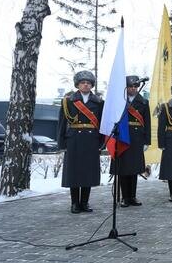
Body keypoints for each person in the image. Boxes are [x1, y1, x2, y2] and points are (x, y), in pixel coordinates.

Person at [58, 70, 104, 214]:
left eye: (88, 83)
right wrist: (62, 144)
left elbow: (102, 124)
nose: (85, 85)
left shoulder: (99, 102)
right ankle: (74, 203)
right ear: (77, 85)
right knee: (74, 172)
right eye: (83, 83)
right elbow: (61, 124)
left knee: (87, 172)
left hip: (91, 140)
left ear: (92, 85)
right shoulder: (68, 101)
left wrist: (101, 143)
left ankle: (84, 202)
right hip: (74, 140)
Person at [111, 75, 150, 207]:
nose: (133, 88)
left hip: (137, 138)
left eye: (135, 86)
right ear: (126, 87)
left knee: (134, 170)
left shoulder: (143, 102)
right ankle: (124, 197)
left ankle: (132, 196)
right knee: (123, 169)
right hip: (122, 137)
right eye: (130, 86)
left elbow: (147, 123)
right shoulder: (119, 101)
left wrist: (146, 141)